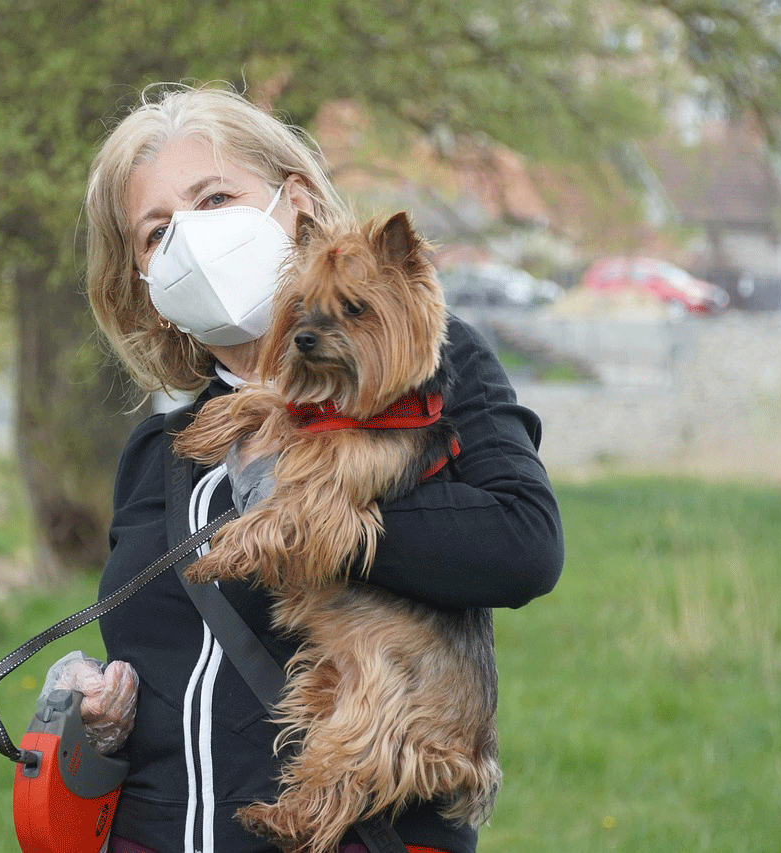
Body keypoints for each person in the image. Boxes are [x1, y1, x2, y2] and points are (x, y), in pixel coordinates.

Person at [46, 83, 564, 853]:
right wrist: (101, 706)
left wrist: (317, 510)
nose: (190, 239)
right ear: (145, 286)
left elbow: (523, 547)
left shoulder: (431, 384)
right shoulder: (160, 450)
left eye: (216, 197)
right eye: (156, 234)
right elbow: (161, 657)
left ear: (293, 204)